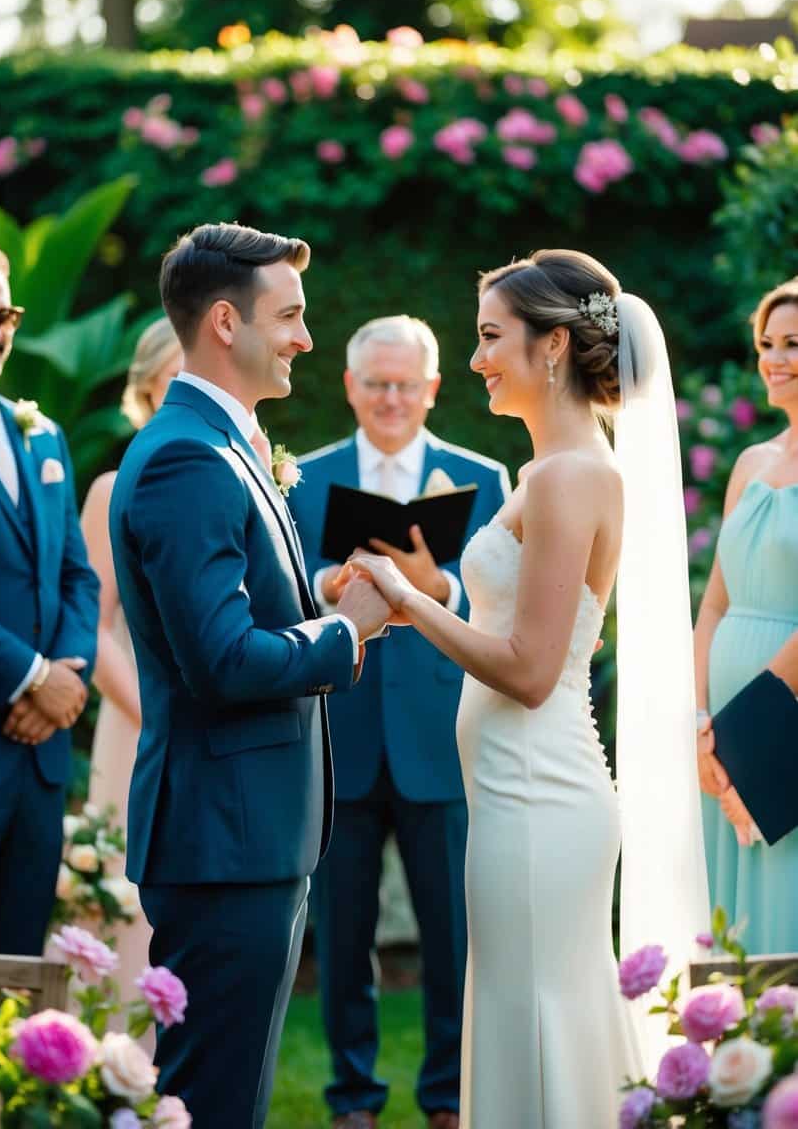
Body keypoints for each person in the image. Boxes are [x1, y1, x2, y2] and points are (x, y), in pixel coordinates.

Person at [343, 251, 708, 1127]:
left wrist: (397, 598)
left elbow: (530, 670)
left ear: (551, 347)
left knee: (537, 1005)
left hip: (540, 793)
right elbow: (511, 624)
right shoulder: (551, 470)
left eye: (488, 338)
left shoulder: (571, 474)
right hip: (513, 789)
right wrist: (419, 599)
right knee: (516, 999)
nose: (475, 361)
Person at [108, 222, 391, 1129]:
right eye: (292, 316)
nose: (306, 337)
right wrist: (342, 635)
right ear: (226, 323)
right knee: (211, 1099)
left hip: (249, 835)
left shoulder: (223, 440)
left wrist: (312, 594)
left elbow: (226, 609)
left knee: (230, 1093)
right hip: (221, 842)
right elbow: (221, 659)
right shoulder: (188, 456)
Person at [289, 314, 509, 1129]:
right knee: (343, 938)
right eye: (376, 384)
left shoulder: (480, 473)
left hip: (439, 735)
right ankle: (352, 1099)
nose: (390, 398)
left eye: (405, 384)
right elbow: (285, 589)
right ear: (350, 386)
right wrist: (327, 584)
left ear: (432, 388)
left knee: (452, 932)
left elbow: (508, 595)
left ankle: (449, 1097)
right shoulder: (304, 478)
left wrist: (436, 587)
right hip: (340, 732)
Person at [0, 240, 99, 955]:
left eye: (4, 315)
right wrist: (29, 677)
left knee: (14, 967)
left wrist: (66, 676)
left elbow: (76, 574)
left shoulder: (41, 432)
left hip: (39, 760)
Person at [79, 316, 183, 1030]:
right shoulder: (112, 488)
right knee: (128, 906)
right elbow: (93, 626)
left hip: (210, 725)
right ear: (146, 390)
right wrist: (156, 713)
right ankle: (120, 1069)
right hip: (138, 730)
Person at [695, 277, 798, 953]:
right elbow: (713, 603)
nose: (772, 358)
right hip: (721, 728)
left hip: (782, 714)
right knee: (731, 926)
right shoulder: (750, 463)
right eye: (765, 343)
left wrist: (749, 731)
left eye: (792, 344)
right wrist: (700, 721)